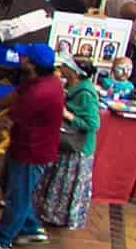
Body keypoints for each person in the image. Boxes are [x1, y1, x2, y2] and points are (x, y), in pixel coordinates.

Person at [0, 53, 64, 249]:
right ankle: (30, 228)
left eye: (25, 57)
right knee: (8, 185)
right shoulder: (41, 81)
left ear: (32, 64)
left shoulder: (39, 93)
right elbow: (14, 95)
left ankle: (0, 241)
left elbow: (8, 122)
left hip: (32, 152)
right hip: (24, 146)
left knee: (17, 198)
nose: (20, 58)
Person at [37, 56, 101, 234]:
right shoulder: (74, 88)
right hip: (66, 144)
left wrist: (67, 115)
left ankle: (59, 216)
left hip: (77, 147)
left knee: (66, 183)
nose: (62, 67)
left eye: (66, 65)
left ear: (75, 72)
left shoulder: (85, 94)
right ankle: (51, 213)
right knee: (58, 179)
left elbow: (92, 124)